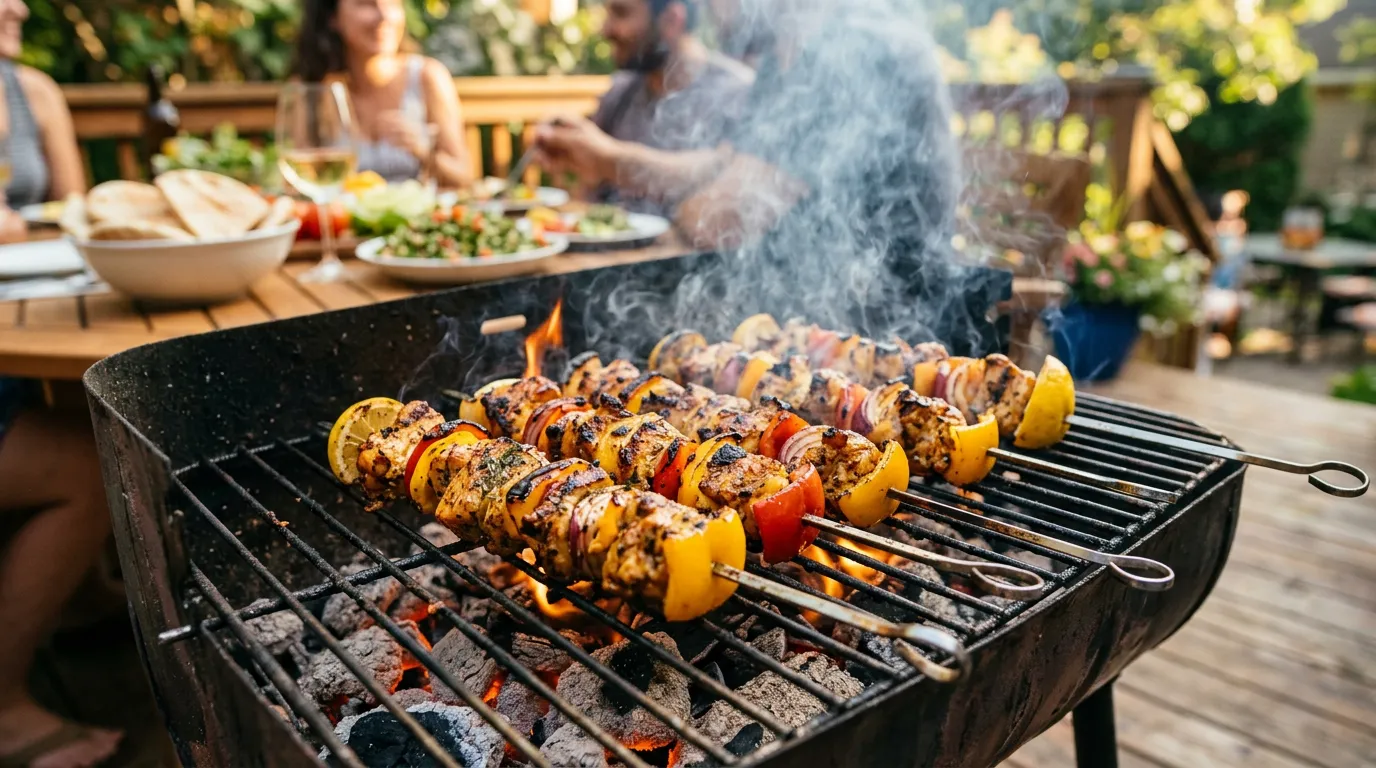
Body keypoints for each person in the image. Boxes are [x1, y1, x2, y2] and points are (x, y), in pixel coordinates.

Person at [532, 0, 961, 337]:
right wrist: (609, 160)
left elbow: (722, 218)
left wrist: (704, 191)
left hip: (890, 323)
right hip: (809, 305)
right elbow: (728, 167)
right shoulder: (786, 56)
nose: (708, 8)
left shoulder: (853, 45)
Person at [0, 2, 123, 766]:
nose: (17, 4)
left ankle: (79, 597)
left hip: (29, 308)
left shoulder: (32, 90)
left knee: (89, 402)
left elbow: (79, 215)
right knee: (86, 458)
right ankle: (3, 708)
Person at [589, 0, 754, 214]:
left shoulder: (738, 94)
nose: (606, 30)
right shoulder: (619, 91)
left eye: (622, 13)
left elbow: (729, 191)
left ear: (673, 19)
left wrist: (607, 157)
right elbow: (584, 195)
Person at [296, 0, 472, 188]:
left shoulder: (427, 77)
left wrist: (425, 153)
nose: (385, 16)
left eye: (392, 3)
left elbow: (464, 177)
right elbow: (297, 182)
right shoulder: (312, 90)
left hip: (416, 206)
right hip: (342, 207)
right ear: (332, 17)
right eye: (366, 4)